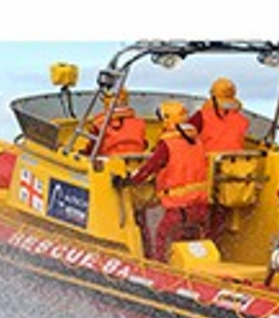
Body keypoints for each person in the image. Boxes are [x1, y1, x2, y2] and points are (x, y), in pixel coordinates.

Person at [127, 101, 210, 262]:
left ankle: (159, 268)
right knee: (190, 245)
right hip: (199, 207)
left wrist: (129, 180)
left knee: (160, 238)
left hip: (177, 208)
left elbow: (149, 168)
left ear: (167, 120)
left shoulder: (167, 145)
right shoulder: (197, 142)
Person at [188, 77, 250, 154]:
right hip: (236, 159)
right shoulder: (243, 120)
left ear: (213, 93)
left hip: (208, 159)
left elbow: (184, 136)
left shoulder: (200, 116)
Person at [86, 88, 147, 156]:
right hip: (135, 161)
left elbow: (92, 149)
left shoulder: (99, 123)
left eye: (104, 100)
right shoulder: (140, 123)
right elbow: (144, 145)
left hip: (110, 161)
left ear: (108, 102)